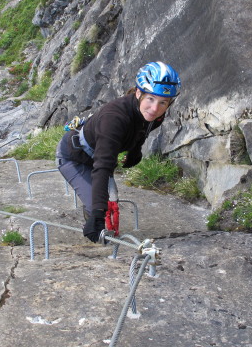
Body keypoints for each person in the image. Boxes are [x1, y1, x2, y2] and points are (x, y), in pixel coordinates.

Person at [56, 61, 181, 243]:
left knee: (107, 202)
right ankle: (90, 211)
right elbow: (102, 167)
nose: (155, 108)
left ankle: (94, 207)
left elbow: (141, 130)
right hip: (73, 156)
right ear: (139, 93)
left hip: (98, 153)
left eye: (163, 102)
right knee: (99, 208)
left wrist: (135, 151)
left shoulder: (157, 116)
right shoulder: (114, 118)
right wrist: (97, 215)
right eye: (151, 99)